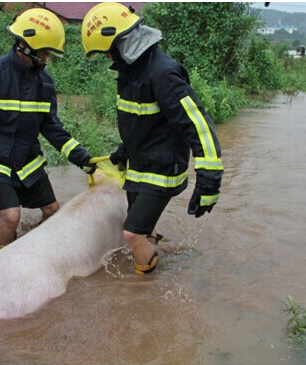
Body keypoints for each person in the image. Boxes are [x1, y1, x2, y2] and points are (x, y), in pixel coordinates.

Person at [81, 3, 223, 275]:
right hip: (140, 164)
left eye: (107, 50)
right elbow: (141, 121)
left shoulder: (163, 73)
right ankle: (157, 248)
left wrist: (209, 180)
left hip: (162, 170)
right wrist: (123, 151)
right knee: (142, 227)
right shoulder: (130, 71)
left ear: (120, 42)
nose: (107, 56)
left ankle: (146, 284)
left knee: (132, 234)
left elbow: (198, 125)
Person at [0, 8, 96, 247]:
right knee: (11, 217)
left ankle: (30, 250)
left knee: (53, 211)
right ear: (25, 46)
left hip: (27, 160)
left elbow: (51, 126)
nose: (47, 59)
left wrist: (82, 158)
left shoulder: (44, 82)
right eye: (44, 53)